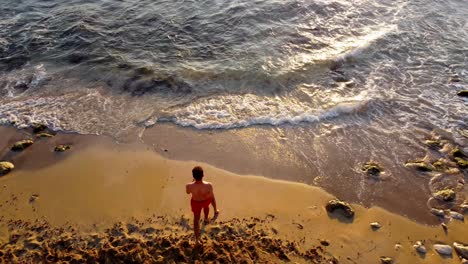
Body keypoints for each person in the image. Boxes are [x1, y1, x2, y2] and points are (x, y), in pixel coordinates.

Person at [186, 166, 219, 244]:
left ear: (193, 176)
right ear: (203, 175)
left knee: (196, 220)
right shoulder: (209, 185)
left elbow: (188, 192)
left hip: (195, 202)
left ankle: (197, 239)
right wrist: (205, 195)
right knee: (207, 206)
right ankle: (206, 218)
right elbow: (210, 195)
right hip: (205, 201)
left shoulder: (189, 185)